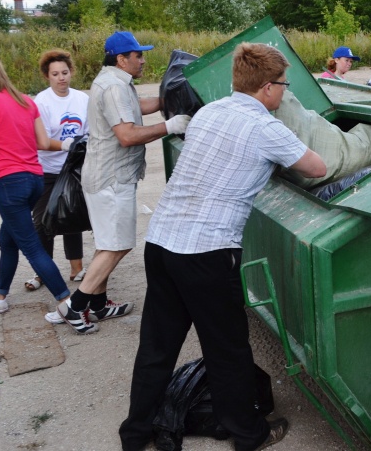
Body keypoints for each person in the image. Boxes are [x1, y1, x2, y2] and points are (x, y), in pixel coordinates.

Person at [119, 42, 326, 451]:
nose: (284, 92)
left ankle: (135, 433)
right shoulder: (266, 128)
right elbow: (317, 167)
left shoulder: (209, 112)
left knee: (157, 346)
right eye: (283, 85)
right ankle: (250, 434)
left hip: (162, 242)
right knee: (226, 348)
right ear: (268, 88)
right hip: (207, 252)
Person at [53, 32, 191, 335]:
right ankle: (75, 305)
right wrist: (169, 125)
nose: (143, 61)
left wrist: (169, 100)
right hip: (112, 180)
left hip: (105, 176)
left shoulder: (113, 81)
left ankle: (99, 304)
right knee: (118, 245)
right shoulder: (115, 86)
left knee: (108, 243)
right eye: (138, 55)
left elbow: (136, 105)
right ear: (121, 59)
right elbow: (127, 135)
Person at [0, 55, 72, 314]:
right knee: (8, 239)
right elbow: (43, 143)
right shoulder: (26, 101)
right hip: (35, 179)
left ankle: (68, 304)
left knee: (31, 246)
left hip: (8, 182)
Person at [26, 49, 89, 292]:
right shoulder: (41, 102)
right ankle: (43, 272)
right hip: (47, 170)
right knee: (42, 221)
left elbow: (89, 132)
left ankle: (76, 268)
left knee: (71, 214)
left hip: (74, 168)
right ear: (47, 76)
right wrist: (65, 145)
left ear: (71, 72)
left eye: (64, 72)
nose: (61, 78)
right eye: (55, 74)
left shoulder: (82, 99)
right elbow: (39, 140)